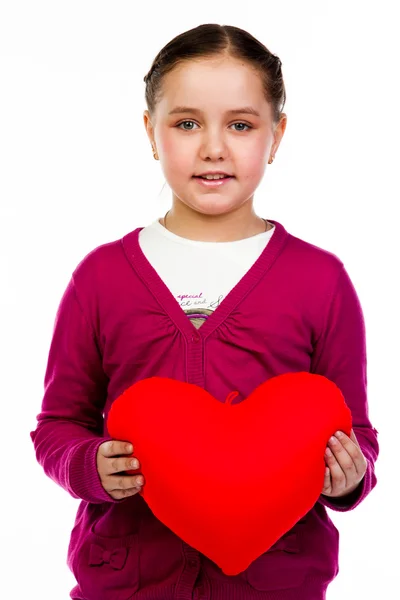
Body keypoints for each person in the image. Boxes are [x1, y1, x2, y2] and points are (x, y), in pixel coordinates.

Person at [30, 23, 379, 600]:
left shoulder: (321, 281)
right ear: (150, 131)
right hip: (127, 584)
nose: (214, 147)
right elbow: (57, 425)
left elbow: (356, 434)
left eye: (240, 125)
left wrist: (349, 476)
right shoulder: (101, 278)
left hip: (277, 584)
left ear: (277, 136)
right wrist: (89, 466)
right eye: (186, 123)